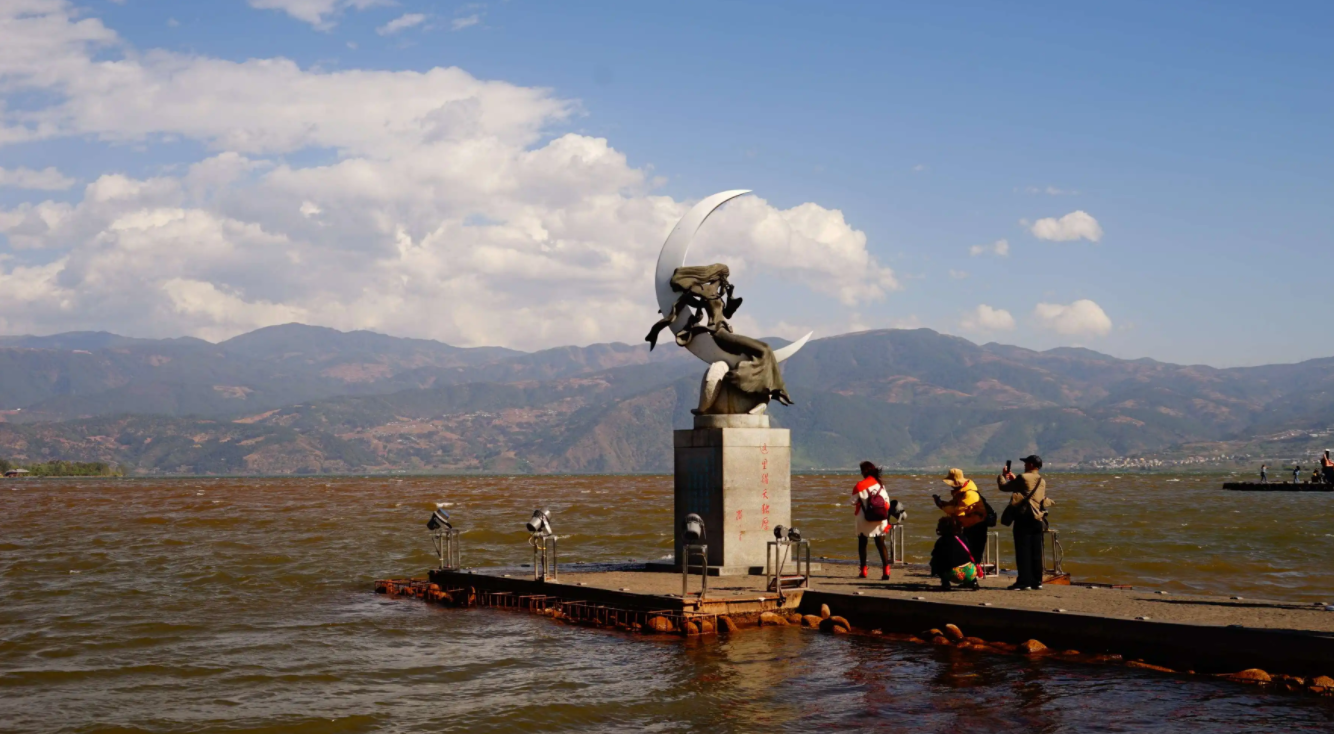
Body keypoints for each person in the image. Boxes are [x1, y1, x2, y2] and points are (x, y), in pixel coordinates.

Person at [999, 455, 1049, 591]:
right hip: (1038, 519)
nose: (1024, 465)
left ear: (1032, 465)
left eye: (1026, 463)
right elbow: (1029, 491)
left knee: (1023, 551)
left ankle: (1024, 582)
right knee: (1036, 552)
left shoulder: (1023, 477)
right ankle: (1036, 581)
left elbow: (1003, 487)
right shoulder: (1041, 480)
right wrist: (1015, 480)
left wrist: (1002, 475)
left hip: (1024, 519)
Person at [935, 468, 988, 566]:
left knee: (974, 553)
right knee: (966, 551)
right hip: (967, 525)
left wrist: (942, 506)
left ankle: (973, 575)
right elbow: (954, 505)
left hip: (977, 526)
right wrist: (942, 503)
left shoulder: (970, 494)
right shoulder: (961, 493)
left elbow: (958, 510)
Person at [851, 461, 892, 580]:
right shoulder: (881, 485)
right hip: (880, 519)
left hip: (864, 519)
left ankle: (863, 570)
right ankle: (886, 570)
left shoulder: (859, 485)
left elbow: (852, 501)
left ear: (864, 472)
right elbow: (887, 504)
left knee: (862, 543)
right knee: (881, 544)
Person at [929, 517, 980, 591]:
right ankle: (974, 582)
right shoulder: (962, 538)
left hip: (955, 575)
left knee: (934, 561)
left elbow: (935, 555)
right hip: (971, 572)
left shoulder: (942, 541)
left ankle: (945, 583)